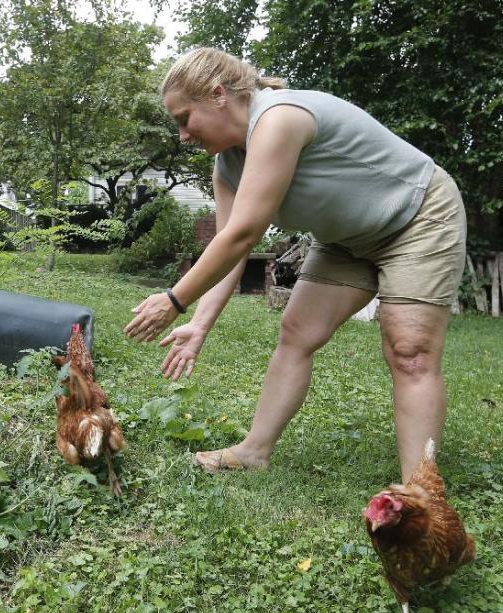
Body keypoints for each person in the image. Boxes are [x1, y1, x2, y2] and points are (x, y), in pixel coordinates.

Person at [123, 47, 466, 483]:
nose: (182, 135)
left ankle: (421, 492)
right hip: (346, 239)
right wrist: (199, 325)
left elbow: (243, 233)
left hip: (418, 215)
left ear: (216, 94)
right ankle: (253, 451)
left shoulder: (280, 117)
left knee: (410, 350)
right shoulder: (227, 165)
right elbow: (233, 251)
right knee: (297, 331)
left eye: (183, 118)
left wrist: (175, 299)